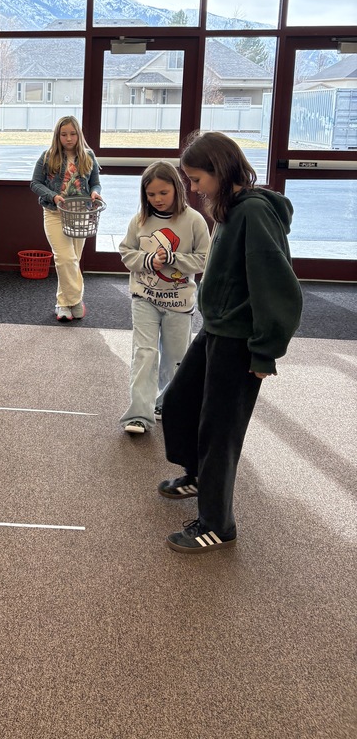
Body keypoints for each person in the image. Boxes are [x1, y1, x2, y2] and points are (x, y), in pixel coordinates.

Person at [158, 131, 302, 553]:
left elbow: (277, 287)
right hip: (216, 330)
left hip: (241, 342)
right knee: (179, 403)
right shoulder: (231, 208)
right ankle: (198, 475)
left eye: (197, 179)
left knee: (220, 432)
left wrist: (264, 350)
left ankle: (217, 525)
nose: (193, 189)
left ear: (220, 171)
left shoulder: (254, 213)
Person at [118, 160, 209, 435]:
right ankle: (138, 415)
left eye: (163, 193)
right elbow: (126, 253)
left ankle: (163, 403)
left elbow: (204, 260)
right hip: (144, 298)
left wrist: (174, 259)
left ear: (178, 189)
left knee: (175, 359)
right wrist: (147, 260)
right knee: (144, 354)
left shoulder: (193, 220)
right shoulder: (140, 221)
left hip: (179, 304)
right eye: (151, 194)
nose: (157, 199)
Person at [30, 116, 103, 321]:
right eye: (64, 134)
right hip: (54, 213)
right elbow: (35, 183)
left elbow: (96, 183)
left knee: (72, 261)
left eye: (72, 134)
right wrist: (52, 195)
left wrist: (95, 193)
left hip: (80, 214)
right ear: (58, 136)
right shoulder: (48, 157)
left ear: (78, 135)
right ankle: (77, 301)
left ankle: (63, 304)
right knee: (65, 258)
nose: (69, 138)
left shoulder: (89, 156)